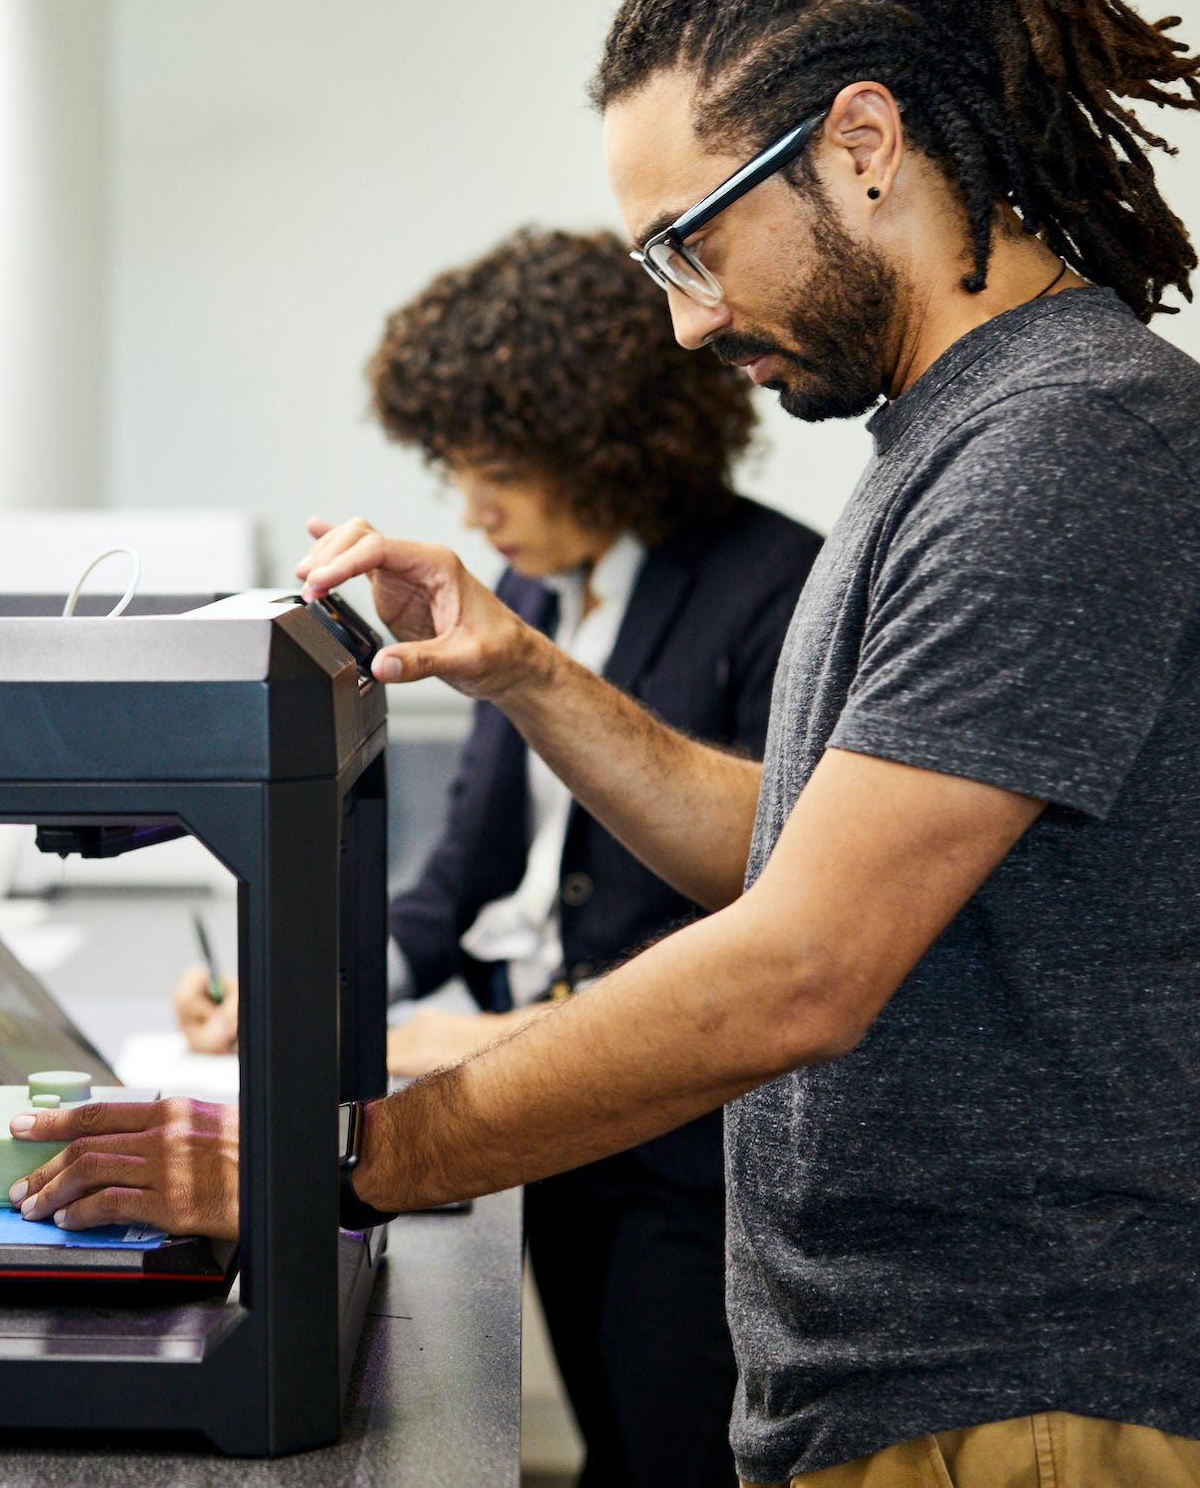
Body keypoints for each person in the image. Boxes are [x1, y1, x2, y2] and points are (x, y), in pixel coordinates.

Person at [8, 0, 1200, 1488]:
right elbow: (784, 844)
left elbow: (796, 966)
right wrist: (522, 665)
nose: (689, 321)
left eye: (692, 245)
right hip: (932, 1395)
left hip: (1032, 1405)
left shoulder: (1069, 443)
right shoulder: (955, 442)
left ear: (859, 142)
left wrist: (344, 1158)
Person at [174, 225, 820, 1488]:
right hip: (554, 1120)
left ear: (612, 445)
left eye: (503, 473)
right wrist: (299, 993)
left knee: (670, 1453)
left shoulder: (774, 587)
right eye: (456, 472)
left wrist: (437, 1046)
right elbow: (452, 885)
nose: (473, 512)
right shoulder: (526, 596)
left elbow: (761, 910)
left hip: (690, 1152)